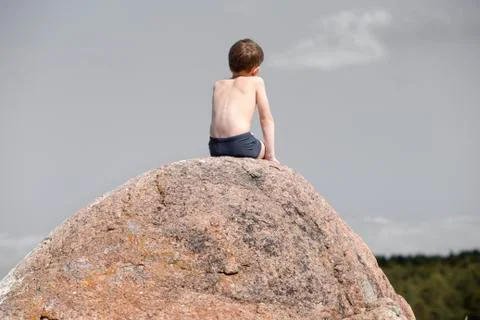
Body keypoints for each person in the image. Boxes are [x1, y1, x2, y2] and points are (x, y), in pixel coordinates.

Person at [208, 38, 279, 163]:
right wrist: (270, 155)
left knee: (247, 137)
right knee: (262, 145)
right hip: (240, 145)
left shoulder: (218, 85)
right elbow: (266, 119)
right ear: (255, 70)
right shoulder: (256, 81)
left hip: (215, 147)